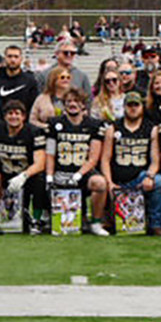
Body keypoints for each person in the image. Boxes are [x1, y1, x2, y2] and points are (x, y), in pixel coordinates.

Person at [45, 92, 109, 235]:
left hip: (82, 173)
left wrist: (78, 175)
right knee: (41, 182)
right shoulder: (54, 123)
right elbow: (50, 152)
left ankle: (96, 223)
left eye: (76, 101)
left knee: (99, 183)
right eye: (68, 101)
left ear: (83, 104)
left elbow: (93, 157)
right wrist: (49, 176)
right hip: (60, 171)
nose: (72, 104)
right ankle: (47, 218)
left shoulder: (93, 124)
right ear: (64, 104)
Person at [108, 91, 161, 235]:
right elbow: (105, 159)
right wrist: (109, 182)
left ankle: (156, 224)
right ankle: (105, 220)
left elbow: (155, 160)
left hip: (139, 178)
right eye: (130, 105)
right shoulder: (113, 127)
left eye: (136, 105)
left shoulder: (151, 129)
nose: (133, 108)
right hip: (118, 180)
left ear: (142, 107)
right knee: (102, 184)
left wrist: (150, 176)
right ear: (124, 107)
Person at [0, 98, 48, 232]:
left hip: (25, 175)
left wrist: (23, 176)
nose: (14, 117)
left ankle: (36, 220)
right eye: (10, 113)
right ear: (4, 116)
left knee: (40, 179)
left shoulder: (34, 132)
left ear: (24, 117)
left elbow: (40, 163)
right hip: (4, 173)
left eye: (17, 113)